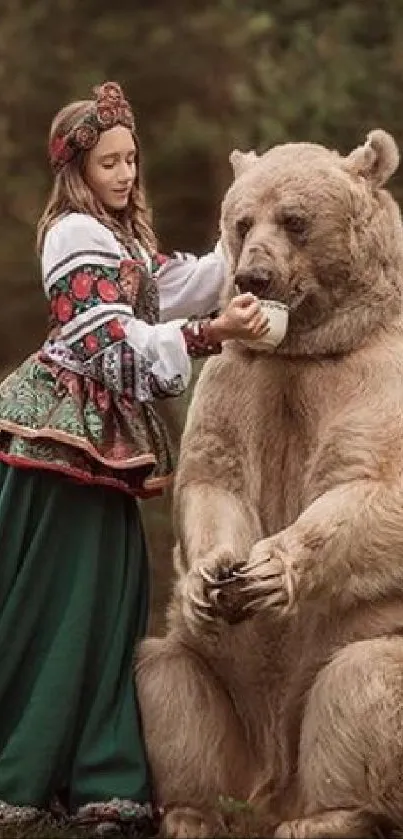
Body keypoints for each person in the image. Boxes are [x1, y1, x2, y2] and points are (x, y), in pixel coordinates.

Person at [0, 81, 268, 836]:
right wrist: (210, 333)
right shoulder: (72, 236)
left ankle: (97, 771)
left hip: (100, 447)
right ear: (76, 171)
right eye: (109, 163)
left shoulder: (117, 239)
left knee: (112, 600)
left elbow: (176, 281)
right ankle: (31, 762)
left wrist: (244, 218)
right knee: (64, 597)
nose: (124, 174)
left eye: (131, 160)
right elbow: (108, 342)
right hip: (60, 443)